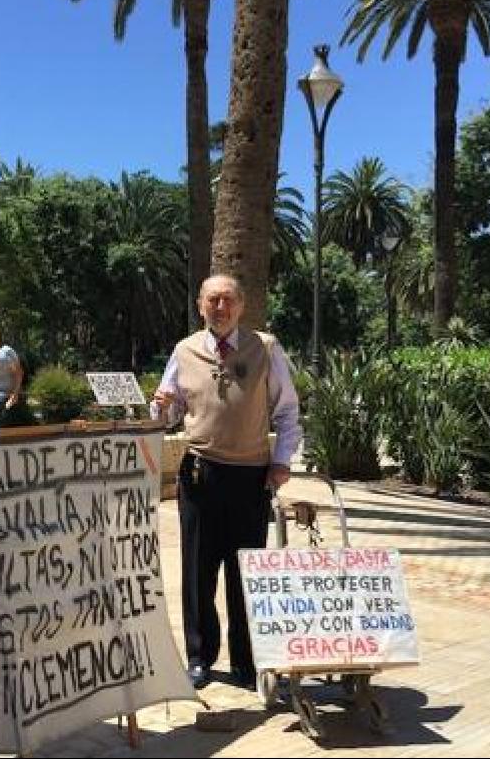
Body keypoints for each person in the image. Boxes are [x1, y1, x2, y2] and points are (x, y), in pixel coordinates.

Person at [151, 274, 301, 690]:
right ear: (200, 305)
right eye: (213, 300)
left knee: (247, 573)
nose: (220, 307)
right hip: (201, 474)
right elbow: (168, 413)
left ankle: (246, 662)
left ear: (241, 305)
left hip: (251, 477)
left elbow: (288, 413)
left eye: (228, 299)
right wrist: (160, 407)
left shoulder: (266, 349)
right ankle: (200, 659)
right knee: (198, 572)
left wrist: (282, 462)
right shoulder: (184, 352)